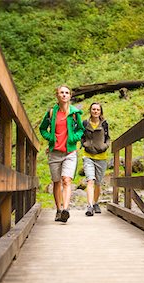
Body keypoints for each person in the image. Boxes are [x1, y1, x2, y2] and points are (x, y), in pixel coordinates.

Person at [39, 85, 84, 223]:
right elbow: (42, 129)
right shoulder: (52, 113)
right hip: (54, 153)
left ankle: (65, 209)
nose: (64, 95)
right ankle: (58, 210)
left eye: (66, 93)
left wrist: (73, 138)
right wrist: (50, 138)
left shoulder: (75, 113)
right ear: (57, 96)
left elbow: (81, 130)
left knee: (66, 180)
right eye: (61, 93)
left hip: (69, 152)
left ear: (70, 96)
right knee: (56, 182)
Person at [81, 102, 110, 216]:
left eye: (98, 109)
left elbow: (108, 138)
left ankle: (95, 202)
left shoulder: (104, 124)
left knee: (98, 183)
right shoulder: (85, 123)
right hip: (88, 156)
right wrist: (85, 144)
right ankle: (90, 206)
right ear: (90, 110)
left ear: (100, 111)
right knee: (90, 180)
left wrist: (105, 146)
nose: (95, 111)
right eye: (93, 109)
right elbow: (82, 137)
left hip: (101, 157)